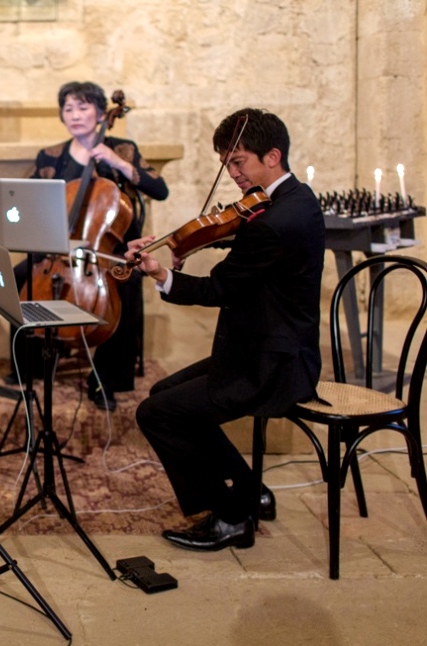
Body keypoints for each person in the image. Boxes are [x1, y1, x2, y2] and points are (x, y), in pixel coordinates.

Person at [129, 107, 325, 551]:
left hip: (269, 367)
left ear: (272, 156)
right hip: (269, 348)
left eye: (238, 161)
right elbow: (245, 234)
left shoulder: (274, 223)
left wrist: (162, 273)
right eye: (226, 163)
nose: (232, 172)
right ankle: (250, 488)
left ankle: (232, 517)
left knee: (156, 413)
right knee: (165, 396)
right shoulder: (295, 198)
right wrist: (181, 240)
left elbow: (219, 288)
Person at [13, 81, 169, 410]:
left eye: (83, 107)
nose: (75, 114)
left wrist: (119, 163)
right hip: (59, 249)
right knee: (20, 276)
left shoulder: (123, 148)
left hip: (110, 249)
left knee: (126, 284)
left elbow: (160, 188)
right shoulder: (51, 156)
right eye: (68, 108)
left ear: (101, 113)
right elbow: (29, 198)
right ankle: (32, 363)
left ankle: (105, 380)